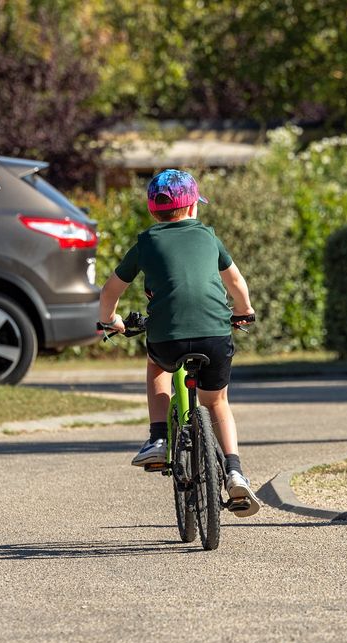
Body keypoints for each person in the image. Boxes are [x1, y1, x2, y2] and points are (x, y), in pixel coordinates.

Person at [98, 168, 260, 517]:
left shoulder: (146, 242)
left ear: (153, 211)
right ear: (192, 209)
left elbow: (111, 291)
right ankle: (234, 470)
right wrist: (244, 311)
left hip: (167, 338)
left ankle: (158, 437)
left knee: (157, 364)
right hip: (214, 334)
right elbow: (236, 283)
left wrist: (111, 321)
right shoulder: (208, 237)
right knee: (216, 402)